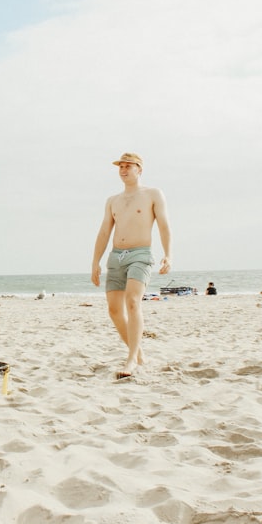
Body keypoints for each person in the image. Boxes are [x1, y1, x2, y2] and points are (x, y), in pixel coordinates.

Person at [91, 152, 172, 380]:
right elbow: (105, 231)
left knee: (133, 302)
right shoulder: (112, 201)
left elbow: (164, 225)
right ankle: (139, 354)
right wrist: (95, 262)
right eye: (121, 167)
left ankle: (131, 358)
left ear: (139, 169)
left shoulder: (153, 194)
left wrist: (168, 255)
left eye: (129, 166)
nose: (124, 170)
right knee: (114, 310)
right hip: (116, 256)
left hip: (140, 254)